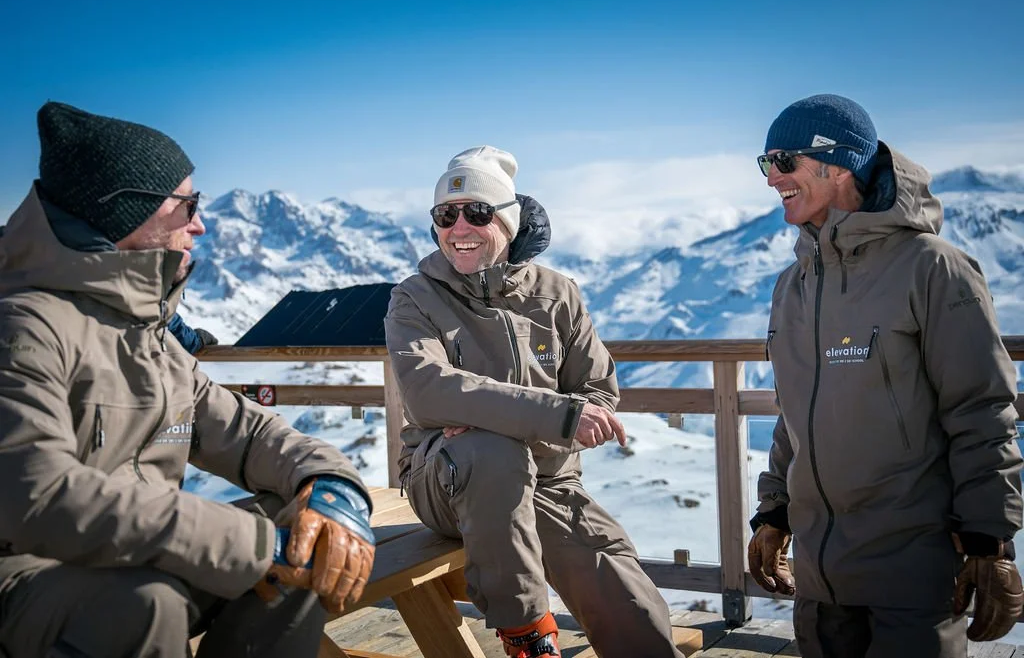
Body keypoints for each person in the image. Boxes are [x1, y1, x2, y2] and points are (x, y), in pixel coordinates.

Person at [0, 101, 376, 658]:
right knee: (144, 601)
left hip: (136, 560)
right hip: (29, 578)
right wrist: (249, 545)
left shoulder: (146, 334)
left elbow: (249, 435)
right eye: (189, 205)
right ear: (128, 212)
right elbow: (37, 494)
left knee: (310, 546)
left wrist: (329, 486)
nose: (201, 223)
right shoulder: (24, 327)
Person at [748, 94, 1023, 657]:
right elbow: (795, 413)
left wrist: (990, 541)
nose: (772, 177)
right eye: (765, 162)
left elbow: (982, 410)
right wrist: (774, 510)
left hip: (912, 577)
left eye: (785, 160)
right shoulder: (793, 285)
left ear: (840, 162)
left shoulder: (932, 267)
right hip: (818, 584)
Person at [384, 146, 683, 658]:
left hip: (549, 481)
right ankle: (528, 638)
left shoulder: (556, 293)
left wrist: (486, 416)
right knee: (486, 453)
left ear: (508, 221)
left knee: (625, 597)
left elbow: (597, 389)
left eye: (478, 213)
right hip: (445, 481)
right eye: (445, 215)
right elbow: (429, 391)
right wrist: (551, 416)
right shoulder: (414, 297)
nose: (460, 226)